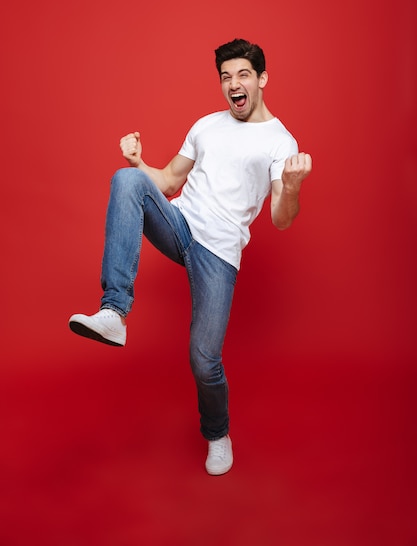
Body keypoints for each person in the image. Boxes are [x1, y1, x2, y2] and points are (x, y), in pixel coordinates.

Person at [69, 38, 312, 476]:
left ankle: (217, 434)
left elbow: (281, 218)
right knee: (127, 180)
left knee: (204, 359)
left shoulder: (280, 141)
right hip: (179, 224)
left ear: (261, 79)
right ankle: (114, 312)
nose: (233, 84)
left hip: (219, 251)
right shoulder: (206, 125)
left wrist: (291, 186)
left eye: (242, 75)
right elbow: (164, 182)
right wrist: (138, 161)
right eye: (225, 77)